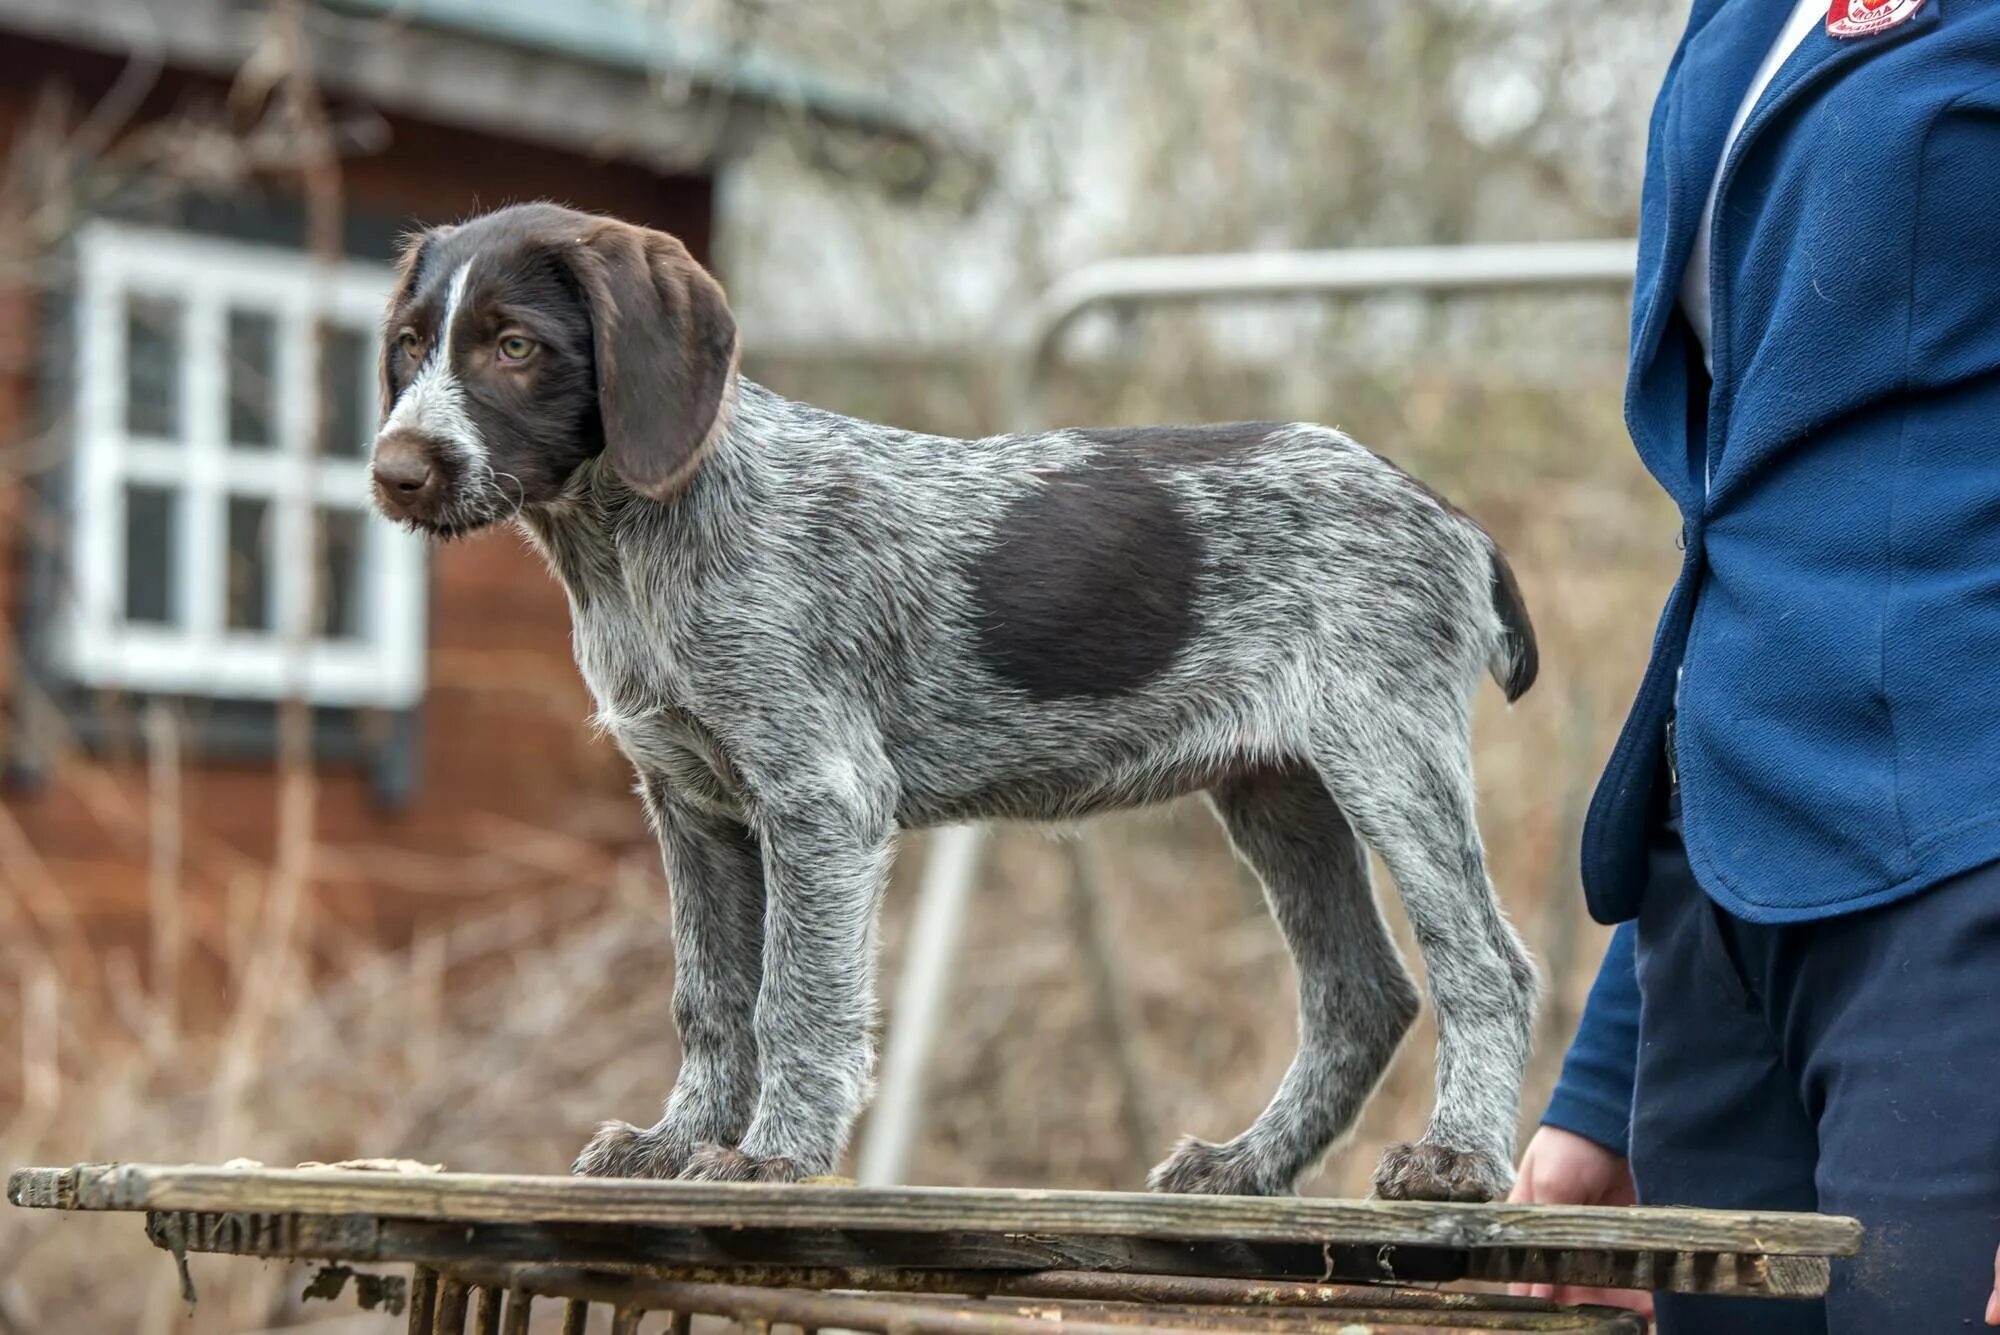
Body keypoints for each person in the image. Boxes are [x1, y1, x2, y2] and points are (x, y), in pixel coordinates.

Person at [1508, 1, 2000, 1331]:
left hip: (1960, 865)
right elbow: (1752, 528)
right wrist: (1611, 1065)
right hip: (1720, 896)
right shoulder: (1742, 19)